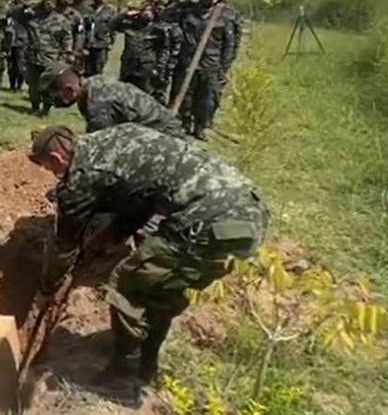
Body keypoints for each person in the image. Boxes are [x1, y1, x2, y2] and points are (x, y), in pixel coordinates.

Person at [29, 124, 267, 397]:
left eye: (49, 168)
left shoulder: (79, 178)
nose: (54, 175)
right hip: (247, 208)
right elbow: (141, 194)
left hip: (212, 222)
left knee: (128, 283)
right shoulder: (117, 137)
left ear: (57, 158)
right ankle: (146, 365)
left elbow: (64, 246)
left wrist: (47, 287)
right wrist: (114, 235)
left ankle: (121, 378)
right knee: (161, 286)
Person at [39, 64, 185, 138]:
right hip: (152, 131)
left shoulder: (97, 103)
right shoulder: (94, 84)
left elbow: (99, 148)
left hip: (165, 136)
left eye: (56, 97)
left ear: (69, 90)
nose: (56, 102)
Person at [167, 0, 235, 140]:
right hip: (188, 62)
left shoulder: (223, 18)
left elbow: (228, 45)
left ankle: (200, 127)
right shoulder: (188, 14)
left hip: (210, 64)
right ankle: (184, 123)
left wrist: (224, 66)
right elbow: (166, 15)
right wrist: (184, 0)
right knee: (185, 96)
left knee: (205, 99)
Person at [12, 0, 75, 116]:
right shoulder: (31, 17)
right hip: (32, 56)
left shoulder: (60, 20)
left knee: (48, 85)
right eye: (46, 2)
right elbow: (14, 14)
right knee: (33, 84)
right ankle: (35, 107)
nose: (49, 5)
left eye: (51, 2)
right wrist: (25, 6)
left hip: (51, 58)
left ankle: (46, 109)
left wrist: (68, 51)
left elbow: (67, 37)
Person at [115, 4, 172, 101]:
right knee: (125, 96)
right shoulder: (130, 25)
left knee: (143, 98)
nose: (146, 13)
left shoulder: (159, 29)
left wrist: (159, 67)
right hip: (128, 66)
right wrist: (125, 14)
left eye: (149, 11)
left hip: (146, 68)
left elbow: (164, 50)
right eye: (144, 11)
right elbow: (112, 25)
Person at [83, 0, 118, 77]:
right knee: (88, 68)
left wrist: (112, 41)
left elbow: (113, 26)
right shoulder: (88, 9)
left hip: (102, 41)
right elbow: (82, 25)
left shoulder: (110, 10)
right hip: (89, 42)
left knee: (100, 64)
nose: (98, 0)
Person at [5, 0, 27, 92]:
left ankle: (17, 85)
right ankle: (13, 85)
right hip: (10, 41)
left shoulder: (24, 11)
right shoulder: (11, 11)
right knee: (11, 66)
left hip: (20, 41)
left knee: (19, 66)